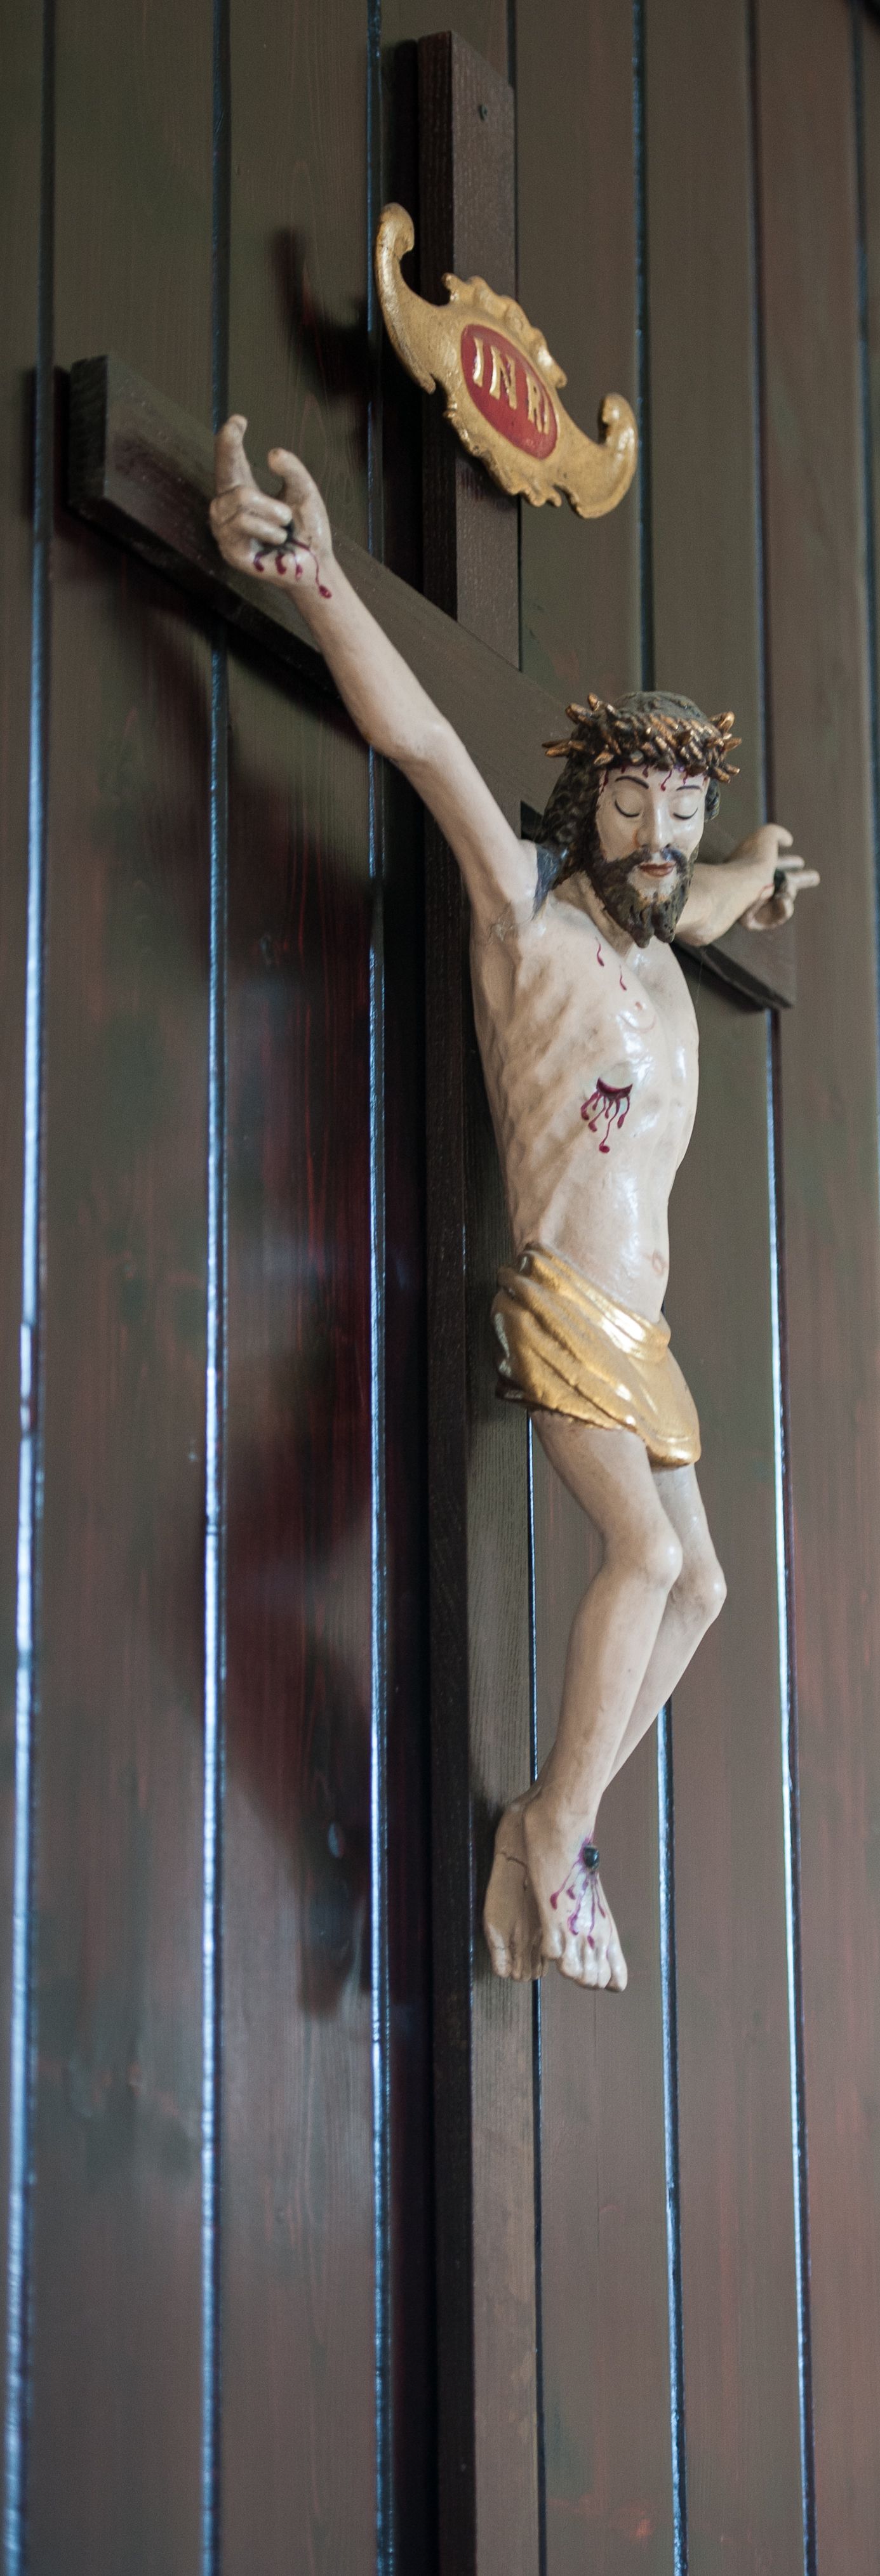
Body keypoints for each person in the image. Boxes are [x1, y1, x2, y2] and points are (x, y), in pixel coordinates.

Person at [210, 418, 819, 1995]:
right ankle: (554, 1835)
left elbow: (716, 894)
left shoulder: (664, 934)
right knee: (642, 1555)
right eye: (634, 805)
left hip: (646, 1327)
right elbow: (422, 740)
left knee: (705, 1586)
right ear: (584, 803)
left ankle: (555, 1821)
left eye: (680, 813)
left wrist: (760, 863)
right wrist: (319, 577)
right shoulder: (530, 917)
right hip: (561, 1295)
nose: (660, 839)